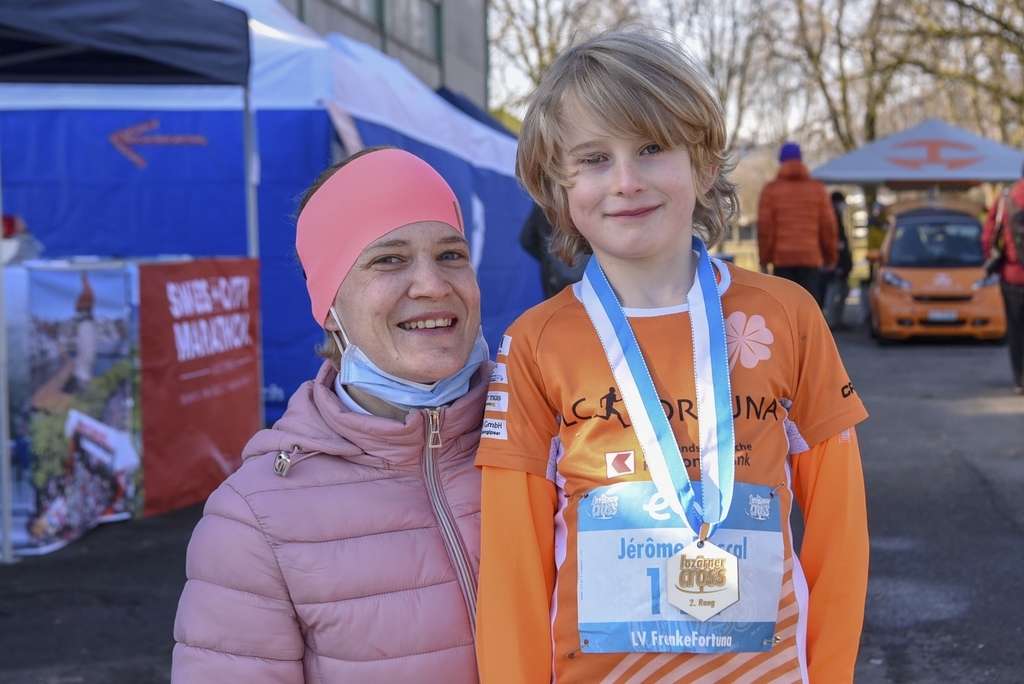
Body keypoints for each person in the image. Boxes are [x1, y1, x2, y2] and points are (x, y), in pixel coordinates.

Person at [474, 26, 870, 684]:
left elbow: (840, 535)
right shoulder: (537, 343)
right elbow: (513, 571)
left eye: (652, 148)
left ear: (705, 163)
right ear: (558, 186)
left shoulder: (785, 316)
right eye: (594, 159)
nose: (626, 181)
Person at [172, 147, 490, 683]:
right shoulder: (255, 518)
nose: (433, 285)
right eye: (388, 259)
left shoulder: (550, 444)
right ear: (330, 306)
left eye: (451, 255)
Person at [757, 141, 839, 306]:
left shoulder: (771, 190)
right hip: (811, 259)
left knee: (784, 310)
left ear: (781, 161)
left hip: (782, 260)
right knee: (810, 310)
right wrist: (831, 257)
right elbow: (829, 227)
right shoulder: (818, 189)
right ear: (801, 160)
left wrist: (764, 260)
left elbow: (765, 229)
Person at [982, 166, 1024, 395]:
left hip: (1013, 276)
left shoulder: (1006, 198)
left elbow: (989, 235)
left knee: (1016, 330)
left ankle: (1020, 380)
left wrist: (992, 260)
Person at [520, 202, 590, 298]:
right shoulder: (583, 201)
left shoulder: (541, 206)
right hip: (586, 276)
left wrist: (548, 258)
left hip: (554, 279)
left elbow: (526, 240)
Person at [823, 191, 854, 330]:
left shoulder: (836, 218)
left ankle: (835, 319)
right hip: (835, 265)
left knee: (841, 290)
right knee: (834, 292)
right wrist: (835, 263)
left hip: (839, 264)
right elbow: (833, 243)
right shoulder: (831, 218)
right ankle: (831, 320)